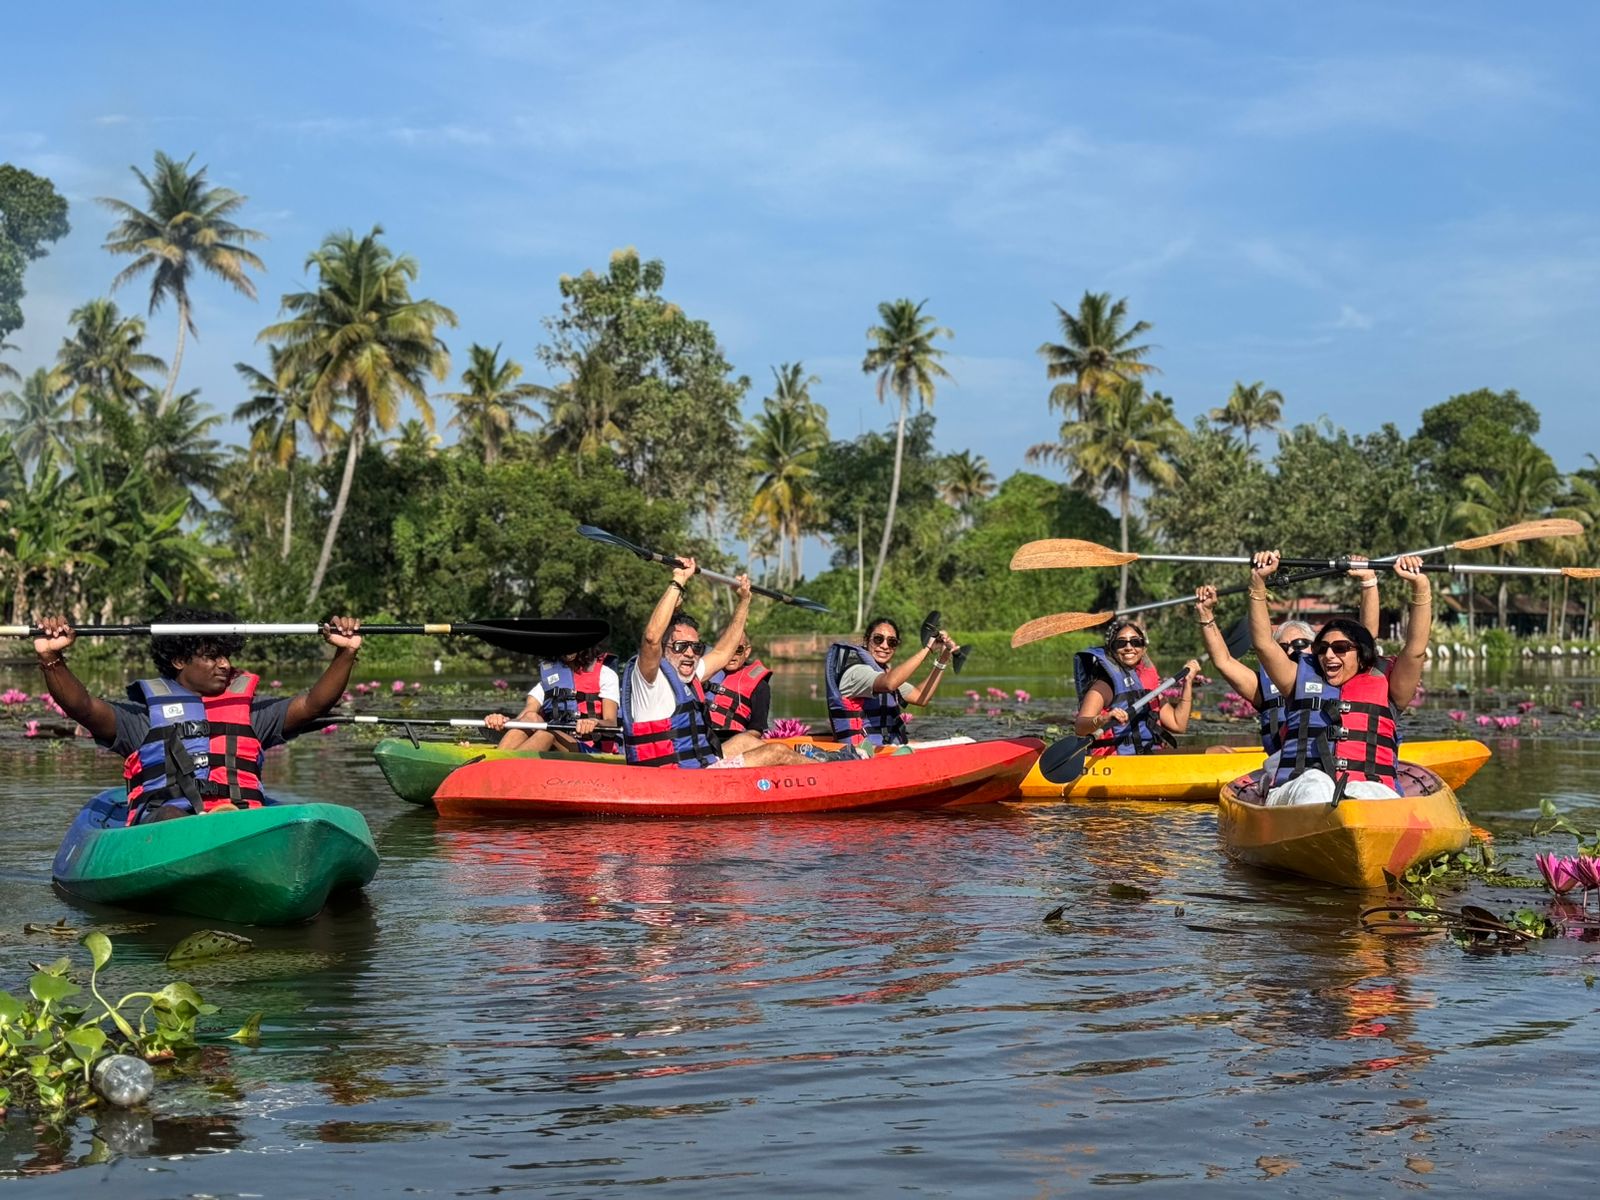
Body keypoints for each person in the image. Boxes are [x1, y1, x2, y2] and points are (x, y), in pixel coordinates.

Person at [32, 607, 362, 824]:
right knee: (172, 814)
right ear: (179, 661)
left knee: (249, 818)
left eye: (226, 655)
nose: (225, 664)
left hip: (240, 820)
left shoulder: (252, 714)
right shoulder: (142, 719)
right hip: (168, 822)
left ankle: (227, 827)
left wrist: (345, 652)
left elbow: (314, 705)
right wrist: (51, 659)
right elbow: (82, 707)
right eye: (212, 656)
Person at [1247, 549, 1431, 805]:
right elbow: (1264, 644)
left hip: (1367, 789)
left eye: (1341, 648)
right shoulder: (1297, 678)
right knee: (1316, 782)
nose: (1329, 656)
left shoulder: (1389, 684)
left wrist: (1420, 586)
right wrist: (1258, 583)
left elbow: (1415, 649)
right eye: (1322, 649)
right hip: (1296, 790)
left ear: (1361, 654)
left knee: (1365, 791)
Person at [621, 558, 841, 768]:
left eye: (696, 647)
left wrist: (744, 601)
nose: (689, 653)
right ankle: (832, 777)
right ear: (664, 648)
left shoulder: (689, 674)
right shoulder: (649, 677)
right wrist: (679, 579)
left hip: (699, 765)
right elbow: (651, 637)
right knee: (776, 752)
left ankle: (821, 765)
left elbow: (723, 652)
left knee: (745, 740)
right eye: (680, 646)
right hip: (676, 775)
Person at [1195, 560, 1381, 754]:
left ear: (1316, 648)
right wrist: (1206, 614)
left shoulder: (1338, 672)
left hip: (1329, 763)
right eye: (1283, 647)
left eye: (1300, 644)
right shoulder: (1264, 686)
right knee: (1216, 751)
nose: (1292, 651)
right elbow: (1224, 661)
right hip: (1281, 763)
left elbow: (1366, 637)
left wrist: (1368, 580)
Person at [1072, 619, 1199, 755]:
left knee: (1216, 751)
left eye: (1135, 642)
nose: (1129, 647)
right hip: (1116, 761)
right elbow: (1080, 728)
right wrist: (1103, 719)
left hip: (1149, 755)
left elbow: (1178, 724)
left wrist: (1188, 682)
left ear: (1143, 649)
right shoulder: (1104, 686)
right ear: (1112, 650)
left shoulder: (1147, 684)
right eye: (1121, 643)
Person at [825, 617, 958, 746]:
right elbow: (890, 683)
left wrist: (943, 658)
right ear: (866, 640)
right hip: (861, 752)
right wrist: (928, 648)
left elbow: (921, 697)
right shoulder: (857, 672)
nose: (885, 646)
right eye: (878, 639)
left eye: (892, 642)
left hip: (887, 748)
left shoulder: (883, 674)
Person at [485, 645, 620, 754]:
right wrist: (503, 721)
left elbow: (611, 722)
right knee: (531, 717)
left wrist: (595, 722)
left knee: (548, 733)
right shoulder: (549, 681)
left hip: (590, 749)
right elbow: (524, 718)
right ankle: (495, 764)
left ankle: (503, 768)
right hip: (556, 739)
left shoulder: (606, 675)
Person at [704, 636, 772, 741]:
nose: (731, 654)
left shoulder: (760, 686)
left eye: (738, 649)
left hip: (731, 741)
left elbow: (757, 730)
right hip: (700, 739)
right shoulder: (703, 675)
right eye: (727, 649)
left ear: (746, 652)